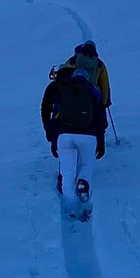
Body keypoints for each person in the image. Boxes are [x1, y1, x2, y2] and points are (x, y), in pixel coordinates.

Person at [41, 66, 107, 214]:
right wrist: (101, 141)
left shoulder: (64, 89)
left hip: (64, 136)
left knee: (67, 172)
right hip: (88, 135)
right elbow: (100, 118)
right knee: (86, 164)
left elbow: (56, 116)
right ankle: (83, 181)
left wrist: (53, 140)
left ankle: (72, 209)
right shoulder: (92, 90)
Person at [66, 40, 111, 110]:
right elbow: (104, 85)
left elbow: (64, 75)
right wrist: (104, 103)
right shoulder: (99, 64)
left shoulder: (73, 60)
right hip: (94, 96)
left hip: (74, 94)